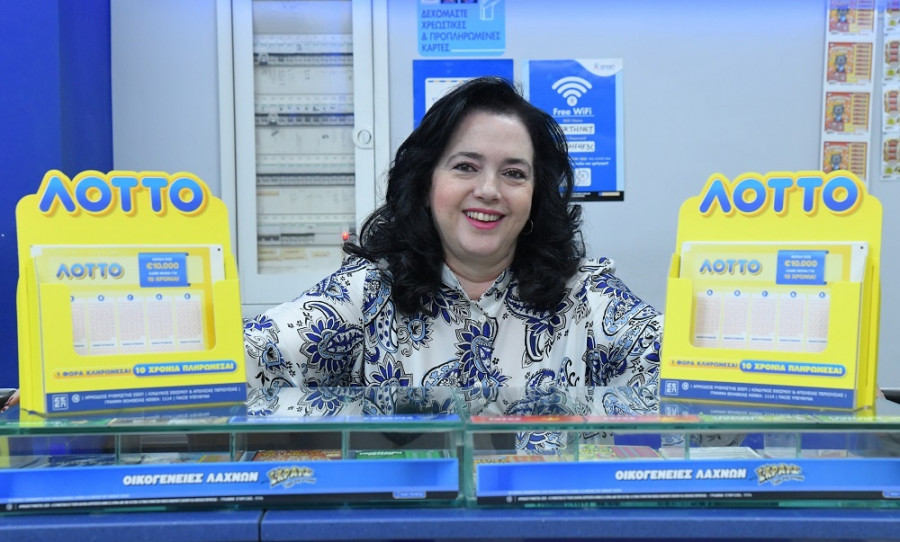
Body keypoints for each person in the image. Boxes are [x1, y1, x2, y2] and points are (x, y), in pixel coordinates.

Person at [243, 76, 663, 421]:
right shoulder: (366, 293)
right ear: (426, 183)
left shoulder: (588, 297)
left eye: (514, 173)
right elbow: (240, 362)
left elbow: (684, 370)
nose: (489, 190)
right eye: (465, 166)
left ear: (536, 196)